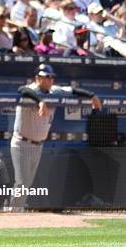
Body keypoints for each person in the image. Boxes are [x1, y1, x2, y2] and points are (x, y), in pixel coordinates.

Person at [9, 64, 101, 210]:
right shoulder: (30, 90)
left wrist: (91, 95)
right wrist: (40, 101)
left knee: (27, 182)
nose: (50, 80)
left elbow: (73, 90)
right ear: (37, 78)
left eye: (51, 77)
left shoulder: (54, 90)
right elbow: (22, 90)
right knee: (22, 181)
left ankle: (15, 208)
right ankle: (13, 211)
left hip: (38, 144)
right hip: (22, 143)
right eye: (46, 77)